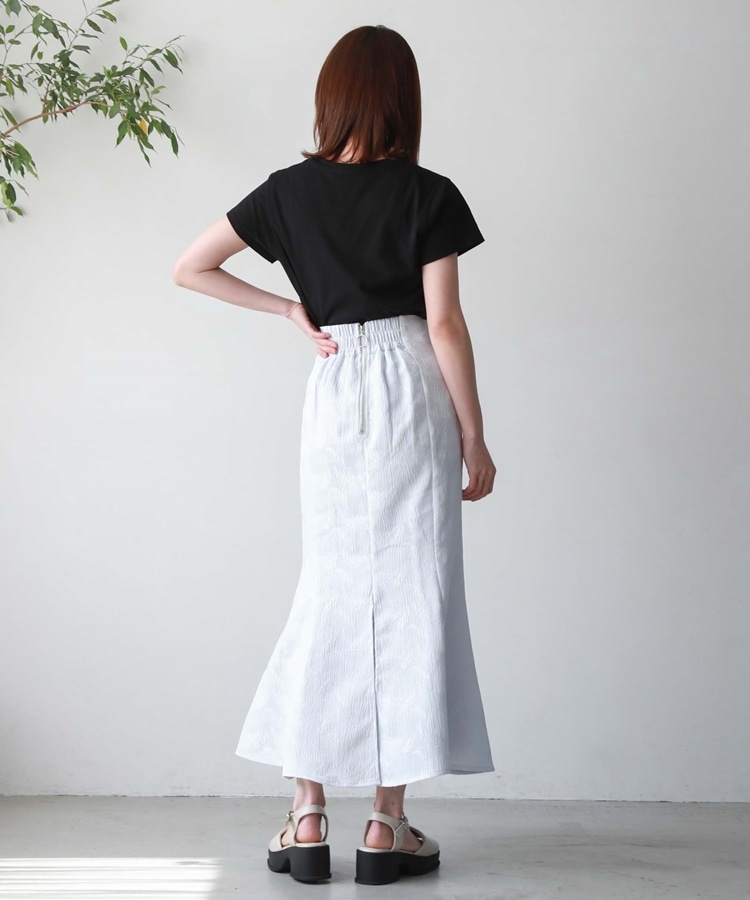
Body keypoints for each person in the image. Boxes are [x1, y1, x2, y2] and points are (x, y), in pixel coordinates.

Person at [173, 23, 496, 887]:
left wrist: (288, 310)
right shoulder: (429, 194)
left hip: (336, 382)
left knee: (329, 587)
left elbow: (190, 267)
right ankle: (386, 825)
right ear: (403, 100)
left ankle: (307, 812)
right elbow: (444, 324)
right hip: (412, 386)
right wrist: (473, 433)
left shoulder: (288, 192)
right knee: (415, 594)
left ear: (334, 97)